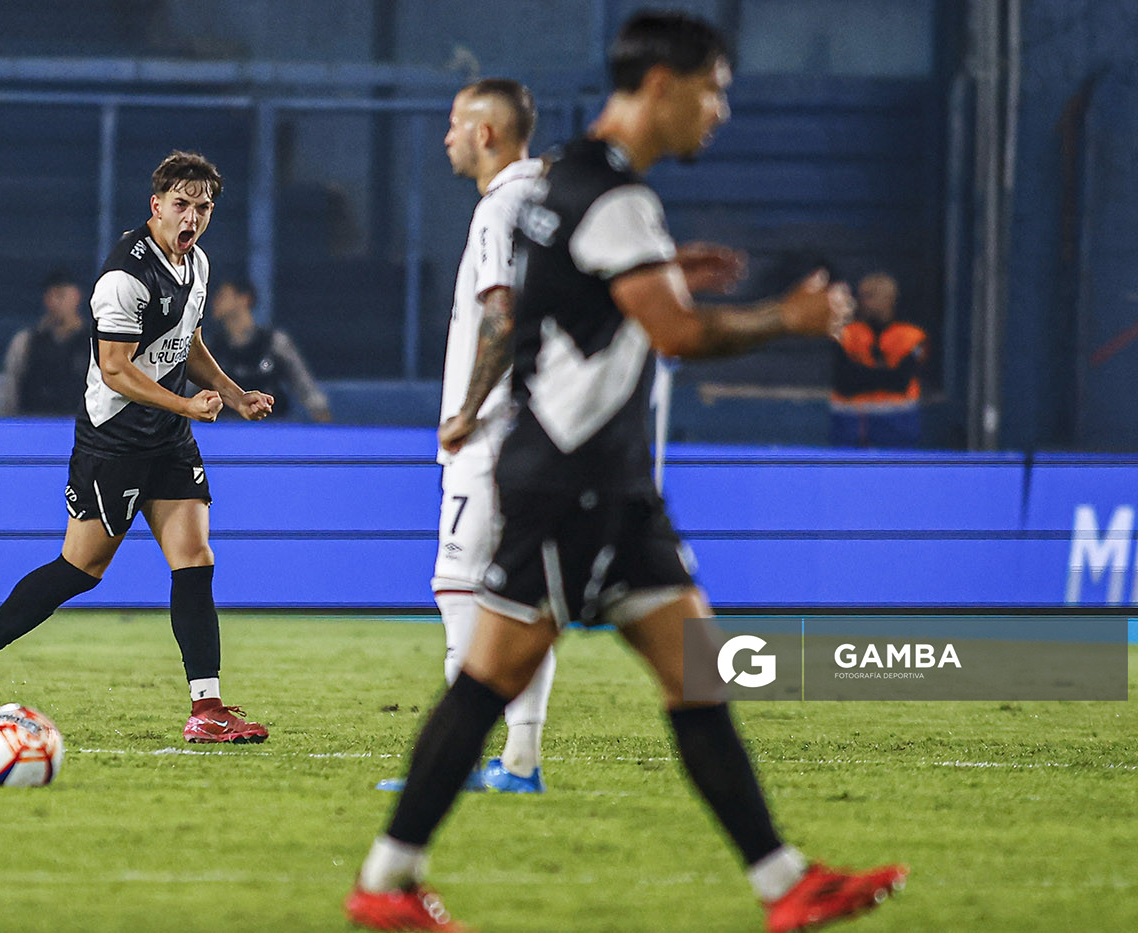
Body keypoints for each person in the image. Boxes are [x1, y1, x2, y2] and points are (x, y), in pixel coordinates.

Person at [345, 12, 907, 933]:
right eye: (713, 89)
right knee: (492, 677)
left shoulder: (558, 181)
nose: (719, 111)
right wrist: (789, 317)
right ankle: (386, 878)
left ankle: (785, 882)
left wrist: (662, 265)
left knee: (696, 671)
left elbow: (557, 291)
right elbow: (681, 332)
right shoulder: (616, 201)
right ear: (661, 86)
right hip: (576, 482)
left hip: (598, 479)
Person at [0, 150, 275, 745]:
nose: (192, 218)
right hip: (115, 439)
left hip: (168, 439)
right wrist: (187, 405)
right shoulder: (124, 275)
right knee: (82, 568)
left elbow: (187, 340)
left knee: (195, 559)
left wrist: (233, 392)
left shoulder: (195, 264)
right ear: (156, 206)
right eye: (181, 205)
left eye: (203, 207)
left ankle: (208, 707)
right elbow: (117, 371)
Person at [377, 79, 556, 796]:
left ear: (486, 134)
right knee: (520, 599)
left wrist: (466, 411)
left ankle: (459, 764)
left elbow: (501, 318)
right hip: (543, 431)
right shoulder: (543, 204)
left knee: (457, 585)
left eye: (455, 124)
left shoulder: (498, 210)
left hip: (492, 438)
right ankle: (518, 762)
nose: (447, 137)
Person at [208, 279, 332, 422]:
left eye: (222, 296)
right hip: (225, 429)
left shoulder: (275, 343)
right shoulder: (212, 347)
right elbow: (189, 389)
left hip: (272, 428)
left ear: (244, 299)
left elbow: (304, 386)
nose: (215, 301)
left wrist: (323, 420)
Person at [829, 271, 928, 447]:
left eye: (870, 296)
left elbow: (900, 381)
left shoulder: (912, 336)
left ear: (889, 298)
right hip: (851, 424)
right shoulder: (847, 334)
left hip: (897, 424)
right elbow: (844, 381)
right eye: (861, 296)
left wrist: (862, 374)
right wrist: (884, 374)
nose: (862, 302)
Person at [0, 270, 91, 416]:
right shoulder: (25, 342)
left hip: (79, 428)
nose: (53, 302)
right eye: (49, 296)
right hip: (33, 426)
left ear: (76, 297)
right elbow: (9, 391)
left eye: (60, 295)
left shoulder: (94, 343)